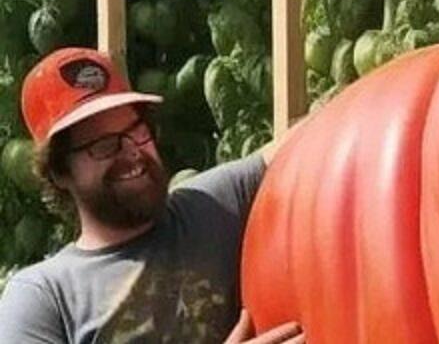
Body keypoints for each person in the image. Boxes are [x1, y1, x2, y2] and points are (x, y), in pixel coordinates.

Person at [0, 47, 303, 343]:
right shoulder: (44, 297)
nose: (132, 151)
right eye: (105, 145)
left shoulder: (209, 207)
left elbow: (303, 143)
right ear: (58, 171)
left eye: (137, 130)